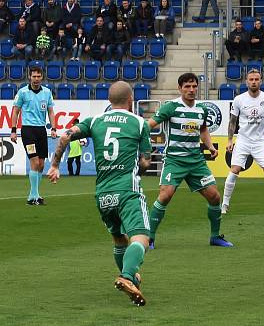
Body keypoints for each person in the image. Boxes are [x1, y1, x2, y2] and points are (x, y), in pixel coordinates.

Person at [46, 81, 151, 306]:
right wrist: (139, 162)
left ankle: (130, 275)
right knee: (141, 237)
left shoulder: (95, 121)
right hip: (127, 190)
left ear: (109, 101)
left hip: (103, 194)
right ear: (131, 100)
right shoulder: (140, 123)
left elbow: (64, 136)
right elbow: (144, 162)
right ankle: (127, 276)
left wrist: (55, 165)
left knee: (118, 239)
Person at [146, 73, 233, 249]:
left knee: (215, 197)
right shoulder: (171, 107)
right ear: (180, 88)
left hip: (196, 162)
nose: (191, 90)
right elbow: (149, 125)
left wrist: (210, 147)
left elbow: (203, 130)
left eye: (194, 86)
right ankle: (150, 238)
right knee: (165, 196)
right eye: (187, 86)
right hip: (174, 161)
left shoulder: (202, 109)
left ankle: (215, 237)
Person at [221, 69, 264, 214]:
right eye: (251, 79)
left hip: (260, 142)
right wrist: (230, 140)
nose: (254, 82)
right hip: (243, 141)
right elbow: (232, 121)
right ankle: (224, 204)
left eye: (256, 79)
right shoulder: (239, 99)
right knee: (234, 170)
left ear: (261, 81)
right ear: (247, 81)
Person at [10, 67, 56, 206]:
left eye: (38, 76)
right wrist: (13, 130)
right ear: (29, 77)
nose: (36, 79)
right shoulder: (22, 92)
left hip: (41, 131)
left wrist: (53, 128)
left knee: (41, 165)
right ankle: (34, 197)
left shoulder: (47, 92)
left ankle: (33, 195)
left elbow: (51, 111)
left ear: (42, 77)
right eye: (34, 76)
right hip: (28, 131)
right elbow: (16, 111)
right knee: (34, 163)